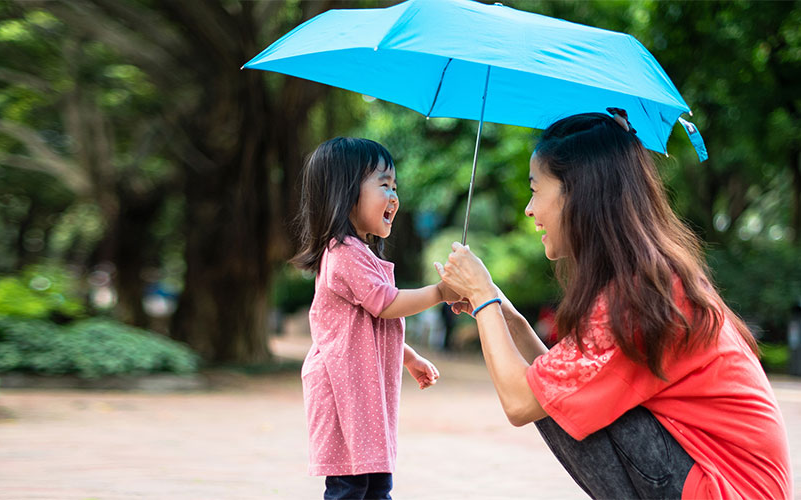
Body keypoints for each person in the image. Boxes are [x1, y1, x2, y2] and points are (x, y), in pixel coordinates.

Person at [435, 110, 792, 499]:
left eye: (536, 189)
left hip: (721, 487)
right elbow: (556, 383)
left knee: (559, 400)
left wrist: (484, 297)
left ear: (578, 193)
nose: (529, 209)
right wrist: (508, 317)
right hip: (721, 481)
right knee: (563, 394)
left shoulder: (638, 297)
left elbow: (521, 403)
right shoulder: (649, 278)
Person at [291, 137, 459, 500]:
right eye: (384, 185)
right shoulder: (344, 252)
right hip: (342, 392)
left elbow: (373, 326)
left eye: (395, 186)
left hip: (362, 394)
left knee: (375, 482)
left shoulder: (360, 253)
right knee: (351, 486)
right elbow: (387, 304)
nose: (394, 197)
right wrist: (440, 292)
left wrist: (409, 357)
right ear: (346, 192)